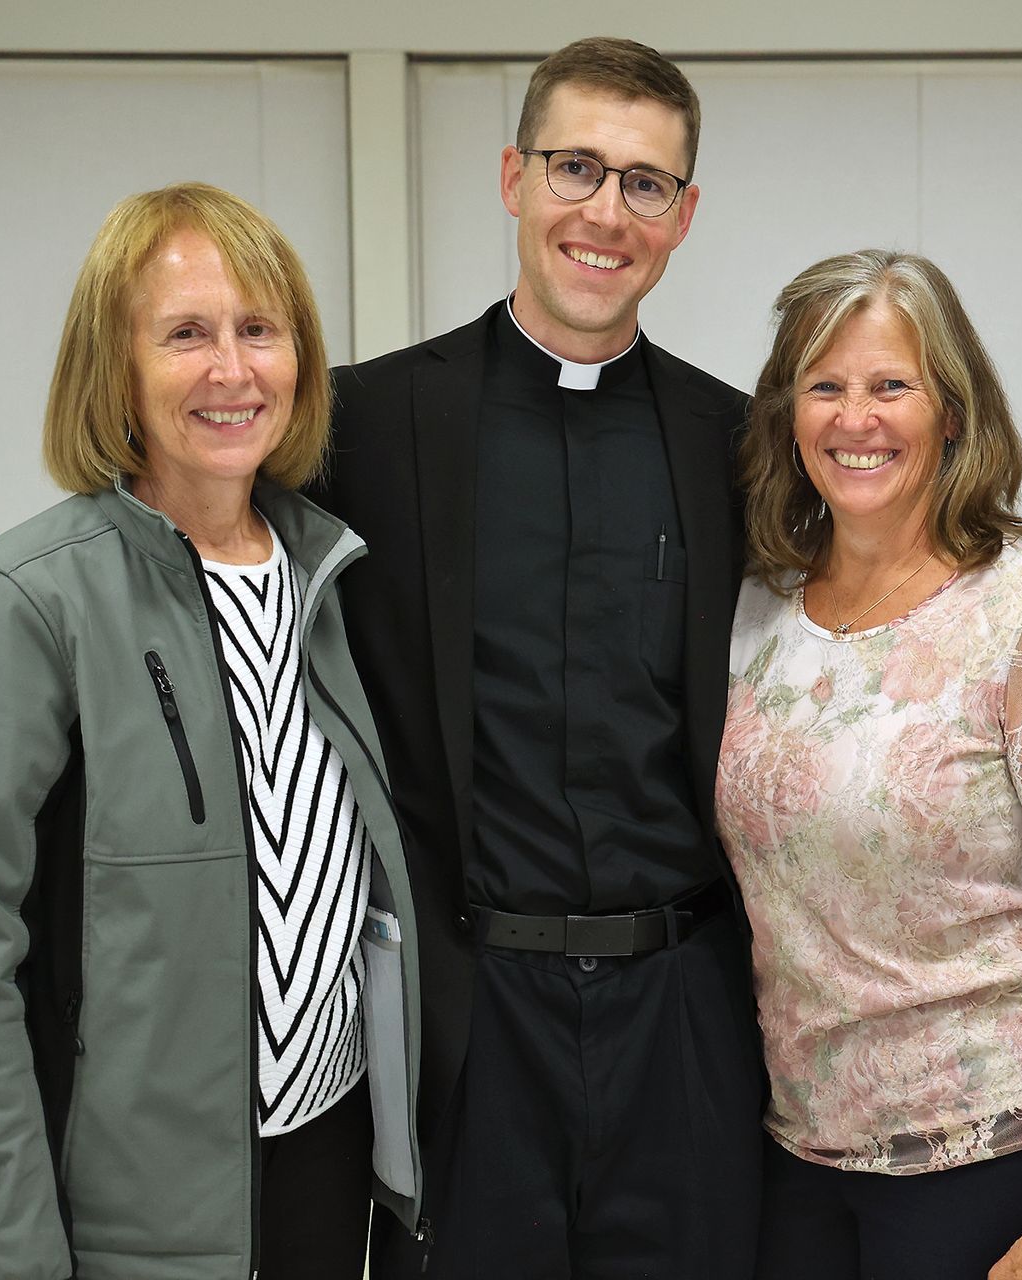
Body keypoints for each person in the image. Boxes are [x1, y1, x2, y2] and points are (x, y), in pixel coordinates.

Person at [0, 182, 423, 1280]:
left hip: (326, 1172)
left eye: (259, 329)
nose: (232, 369)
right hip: (127, 1219)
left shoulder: (334, 576)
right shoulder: (25, 601)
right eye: (186, 334)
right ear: (117, 369)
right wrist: (18, 1255)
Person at [314, 37, 764, 1279]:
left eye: (645, 182)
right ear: (514, 177)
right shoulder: (363, 428)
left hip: (685, 1017)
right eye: (576, 167)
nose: (605, 212)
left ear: (683, 215)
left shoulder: (737, 445)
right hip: (470, 1017)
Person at [719, 249, 1022, 1280]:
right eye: (825, 386)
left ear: (952, 413)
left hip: (997, 1161)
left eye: (891, 386)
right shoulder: (756, 610)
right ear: (788, 414)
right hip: (798, 1158)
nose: (855, 418)